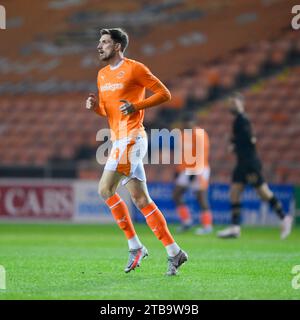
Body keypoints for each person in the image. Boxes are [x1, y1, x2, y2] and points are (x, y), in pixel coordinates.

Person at [86, 28, 188, 276]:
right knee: (141, 200)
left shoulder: (135, 68)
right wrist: (96, 108)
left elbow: (165, 94)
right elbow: (112, 112)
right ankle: (175, 252)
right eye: (99, 42)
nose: (99, 46)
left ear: (118, 46)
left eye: (105, 42)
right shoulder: (101, 75)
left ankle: (135, 246)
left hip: (132, 138)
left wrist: (137, 105)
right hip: (118, 139)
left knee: (105, 189)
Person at [217, 93, 293, 239]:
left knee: (263, 192)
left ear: (242, 103)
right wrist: (234, 144)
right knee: (234, 192)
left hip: (249, 163)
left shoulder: (243, 120)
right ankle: (235, 227)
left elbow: (249, 139)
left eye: (234, 103)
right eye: (230, 103)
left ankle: (284, 218)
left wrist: (234, 144)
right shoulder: (238, 121)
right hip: (242, 162)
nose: (231, 106)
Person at [173, 114, 213, 234]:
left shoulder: (200, 134)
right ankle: (187, 222)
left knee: (201, 197)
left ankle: (207, 226)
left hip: (200, 169)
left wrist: (194, 172)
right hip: (186, 169)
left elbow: (202, 154)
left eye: (188, 123)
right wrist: (178, 170)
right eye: (184, 123)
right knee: (176, 195)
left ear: (193, 123)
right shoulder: (182, 135)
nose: (186, 125)